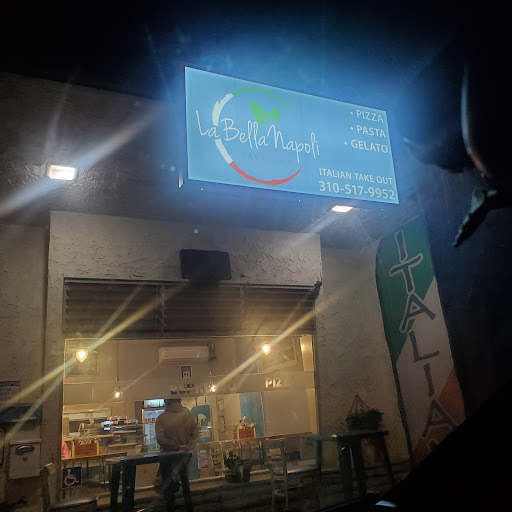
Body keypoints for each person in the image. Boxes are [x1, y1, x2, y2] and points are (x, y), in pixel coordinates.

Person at [155, 398, 198, 500]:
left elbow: (161, 440)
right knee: (184, 479)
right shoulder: (188, 416)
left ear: (166, 403)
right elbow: (196, 435)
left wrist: (176, 446)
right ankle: (187, 502)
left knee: (167, 485)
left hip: (167, 457)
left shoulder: (161, 418)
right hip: (185, 456)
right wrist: (187, 447)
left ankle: (170, 504)